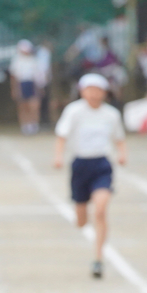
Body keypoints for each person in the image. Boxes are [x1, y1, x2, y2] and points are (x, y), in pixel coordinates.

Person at [53, 74, 127, 279]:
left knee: (101, 210)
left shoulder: (111, 114)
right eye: (89, 89)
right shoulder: (74, 111)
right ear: (82, 91)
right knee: (81, 219)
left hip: (102, 164)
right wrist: (58, 156)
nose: (94, 94)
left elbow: (119, 138)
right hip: (80, 165)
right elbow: (62, 136)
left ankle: (98, 258)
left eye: (98, 90)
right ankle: (81, 214)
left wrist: (122, 154)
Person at [9, 39, 41, 135]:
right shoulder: (16, 61)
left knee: (33, 105)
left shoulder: (34, 60)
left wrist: (39, 88)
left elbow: (38, 76)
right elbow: (14, 77)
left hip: (32, 84)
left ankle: (33, 124)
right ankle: (25, 125)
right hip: (21, 84)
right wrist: (14, 89)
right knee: (23, 106)